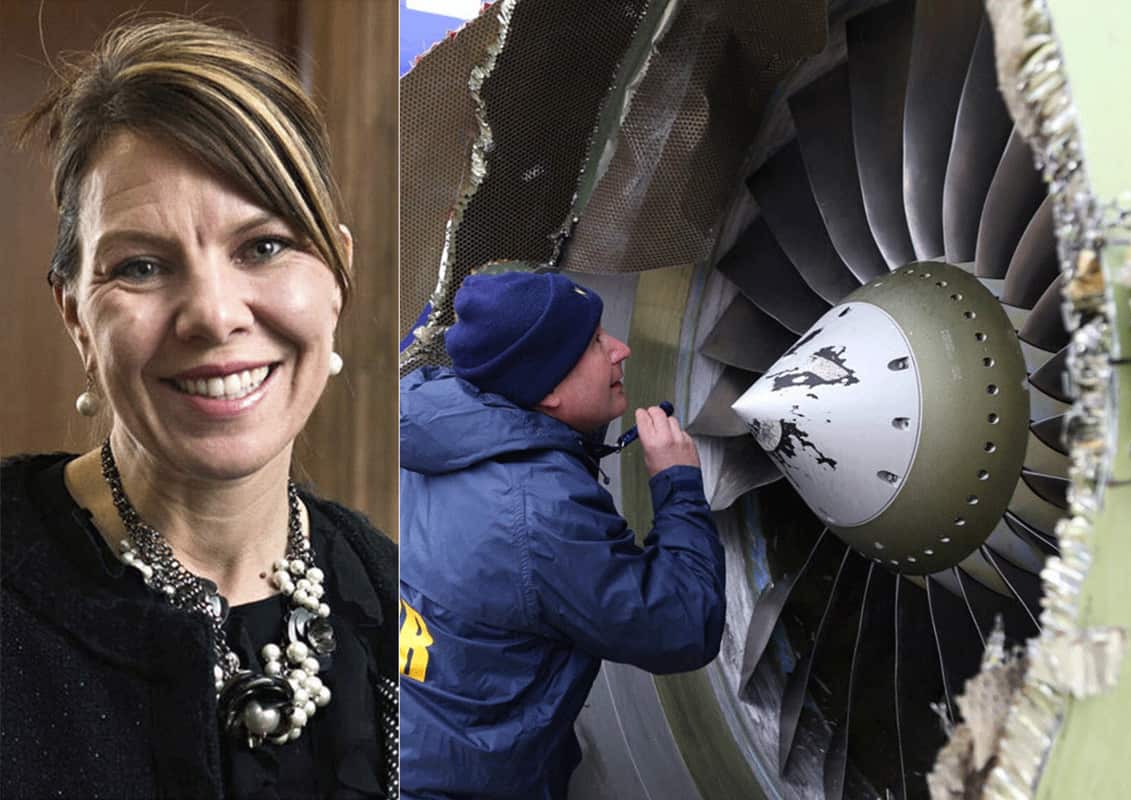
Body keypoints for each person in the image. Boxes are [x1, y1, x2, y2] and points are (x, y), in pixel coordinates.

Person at [0, 18, 397, 798]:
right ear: (78, 315)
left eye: (264, 247)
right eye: (142, 266)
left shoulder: (391, 588)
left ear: (338, 278)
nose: (214, 316)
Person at [398, 270, 727, 799]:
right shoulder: (540, 517)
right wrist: (678, 484)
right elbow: (684, 624)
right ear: (546, 390)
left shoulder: (427, 415)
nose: (620, 349)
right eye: (596, 344)